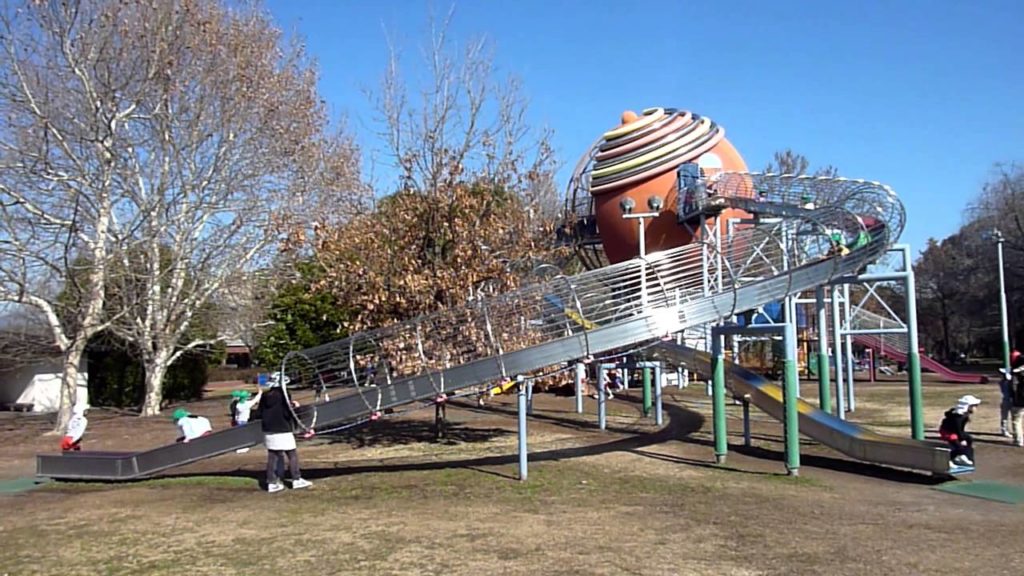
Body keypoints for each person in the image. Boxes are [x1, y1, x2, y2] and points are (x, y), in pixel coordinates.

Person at [254, 372, 312, 493]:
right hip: (283, 428)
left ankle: (272, 482)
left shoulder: (265, 395)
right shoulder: (284, 395)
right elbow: (287, 413)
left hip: (268, 429)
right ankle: (296, 479)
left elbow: (259, 413)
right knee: (292, 454)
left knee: (273, 456)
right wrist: (294, 407)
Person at [939, 394, 982, 467]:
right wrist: (961, 439)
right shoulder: (959, 417)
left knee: (969, 439)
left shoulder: (963, 415)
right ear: (968, 406)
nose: (975, 408)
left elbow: (960, 429)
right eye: (974, 406)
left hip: (954, 431)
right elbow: (957, 429)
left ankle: (962, 456)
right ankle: (949, 460)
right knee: (959, 446)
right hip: (948, 432)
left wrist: (964, 438)